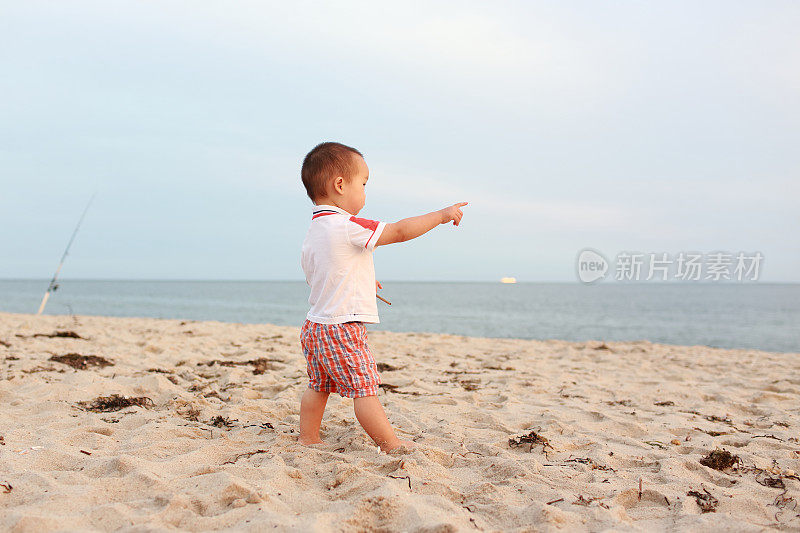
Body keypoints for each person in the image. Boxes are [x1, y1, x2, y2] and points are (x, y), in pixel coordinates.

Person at [298, 141, 468, 452]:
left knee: (318, 386)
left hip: (314, 327)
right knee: (365, 389)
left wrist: (363, 280)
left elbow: (322, 275)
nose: (365, 193)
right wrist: (441, 215)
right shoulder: (348, 225)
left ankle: (308, 438)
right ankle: (390, 444)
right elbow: (400, 231)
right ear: (339, 185)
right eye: (362, 184)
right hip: (342, 328)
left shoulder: (314, 231)